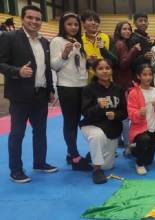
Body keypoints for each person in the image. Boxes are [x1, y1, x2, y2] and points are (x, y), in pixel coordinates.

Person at [0, 5, 58, 183]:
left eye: (38, 19)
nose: (34, 21)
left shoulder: (44, 42)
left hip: (40, 94)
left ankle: (39, 163)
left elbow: (47, 69)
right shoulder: (9, 37)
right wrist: (17, 71)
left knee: (40, 131)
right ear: (22, 19)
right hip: (20, 95)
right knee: (17, 133)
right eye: (30, 18)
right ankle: (15, 170)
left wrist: (50, 89)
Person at [50, 12, 91, 170]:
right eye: (69, 24)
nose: (73, 27)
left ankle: (71, 153)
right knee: (71, 122)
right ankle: (73, 156)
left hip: (82, 86)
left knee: (86, 118)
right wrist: (65, 54)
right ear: (63, 25)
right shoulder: (57, 41)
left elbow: (80, 66)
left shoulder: (78, 41)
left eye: (76, 24)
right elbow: (54, 66)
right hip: (67, 87)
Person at [80, 59, 127, 184]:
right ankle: (96, 170)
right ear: (94, 72)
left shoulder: (118, 89)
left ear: (111, 70)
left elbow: (124, 113)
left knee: (108, 166)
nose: (105, 71)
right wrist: (98, 106)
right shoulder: (88, 89)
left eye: (107, 68)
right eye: (100, 69)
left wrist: (115, 115)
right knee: (97, 136)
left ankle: (92, 155)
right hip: (92, 125)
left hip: (111, 128)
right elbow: (85, 113)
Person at [127, 64, 155, 175]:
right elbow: (131, 114)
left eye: (150, 74)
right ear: (138, 76)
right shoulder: (134, 93)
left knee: (149, 161)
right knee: (144, 140)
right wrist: (139, 113)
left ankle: (134, 148)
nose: (147, 77)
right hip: (140, 130)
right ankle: (138, 163)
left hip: (153, 129)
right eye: (144, 74)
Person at [113, 21, 141, 151]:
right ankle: (127, 144)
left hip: (121, 83)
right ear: (119, 31)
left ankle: (119, 140)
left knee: (121, 114)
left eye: (129, 29)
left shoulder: (122, 43)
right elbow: (123, 64)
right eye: (124, 29)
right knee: (125, 116)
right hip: (123, 84)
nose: (128, 31)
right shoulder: (120, 44)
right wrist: (135, 50)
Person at [80, 10, 116, 80]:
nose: (93, 23)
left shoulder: (108, 38)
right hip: (86, 80)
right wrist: (88, 61)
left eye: (96, 21)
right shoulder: (79, 41)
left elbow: (114, 61)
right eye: (90, 20)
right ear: (83, 24)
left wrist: (103, 49)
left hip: (106, 79)